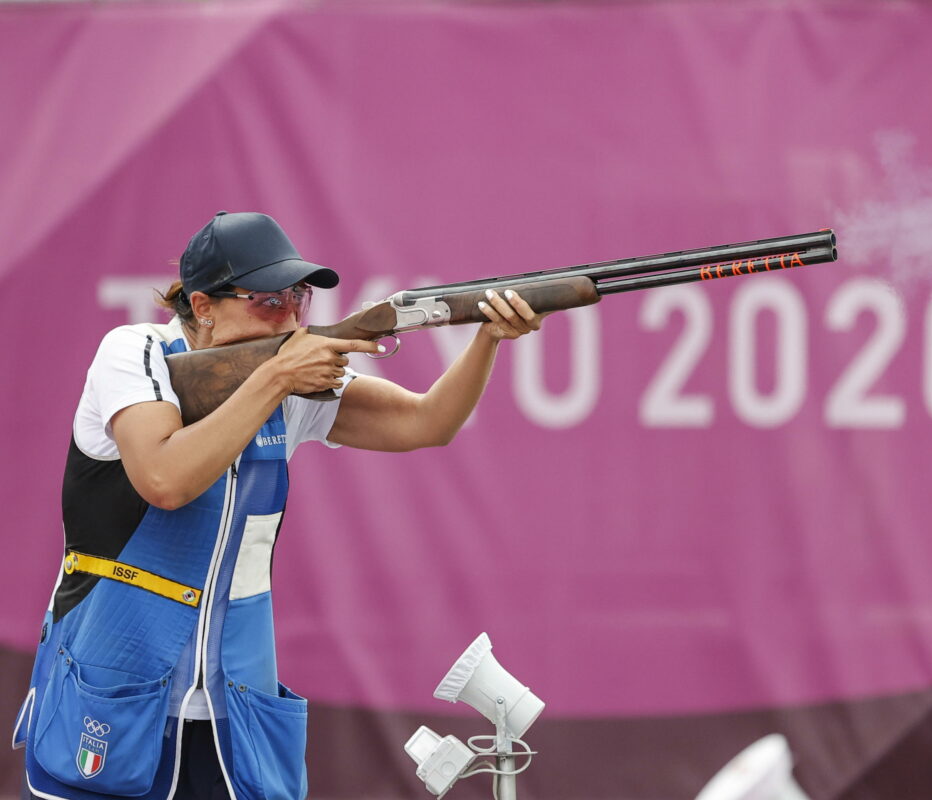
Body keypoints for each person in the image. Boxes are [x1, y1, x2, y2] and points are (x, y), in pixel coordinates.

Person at [12, 211, 545, 800]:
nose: (290, 315)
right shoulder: (135, 351)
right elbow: (164, 479)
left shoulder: (288, 379)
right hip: (114, 694)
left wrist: (488, 338)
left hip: (234, 711)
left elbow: (427, 422)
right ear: (204, 305)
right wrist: (276, 378)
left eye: (299, 296)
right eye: (268, 299)